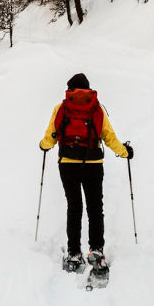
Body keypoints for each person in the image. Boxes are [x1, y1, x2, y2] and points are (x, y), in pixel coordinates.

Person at [39, 73, 133, 272]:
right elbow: (109, 137)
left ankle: (74, 253)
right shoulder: (96, 108)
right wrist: (124, 152)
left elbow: (51, 136)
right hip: (93, 164)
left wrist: (43, 145)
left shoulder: (61, 108)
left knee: (74, 207)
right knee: (95, 208)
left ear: (70, 90)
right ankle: (96, 250)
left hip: (67, 164)